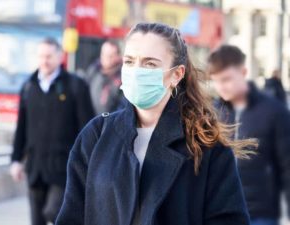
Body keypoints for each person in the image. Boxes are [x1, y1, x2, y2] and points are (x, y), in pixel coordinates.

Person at [56, 23, 253, 225]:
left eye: (150, 64)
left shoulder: (205, 144)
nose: (136, 71)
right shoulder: (97, 134)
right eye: (130, 61)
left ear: (177, 74)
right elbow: (72, 215)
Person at [10, 38, 94, 225]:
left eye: (48, 56)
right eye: (41, 56)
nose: (44, 61)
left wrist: (87, 162)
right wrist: (16, 159)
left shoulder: (75, 86)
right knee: (37, 219)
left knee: (54, 212)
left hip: (64, 168)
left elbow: (88, 127)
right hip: (35, 167)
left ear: (59, 56)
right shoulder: (28, 86)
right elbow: (21, 126)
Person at [208, 45, 290, 225]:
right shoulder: (212, 113)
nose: (220, 86)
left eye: (226, 79)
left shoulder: (274, 112)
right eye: (216, 80)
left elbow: (287, 166)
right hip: (220, 211)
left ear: (243, 72)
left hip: (260, 213)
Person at [81, 40, 124, 114]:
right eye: (103, 54)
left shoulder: (122, 76)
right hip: (92, 120)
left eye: (110, 56)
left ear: (118, 56)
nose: (105, 58)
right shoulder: (94, 70)